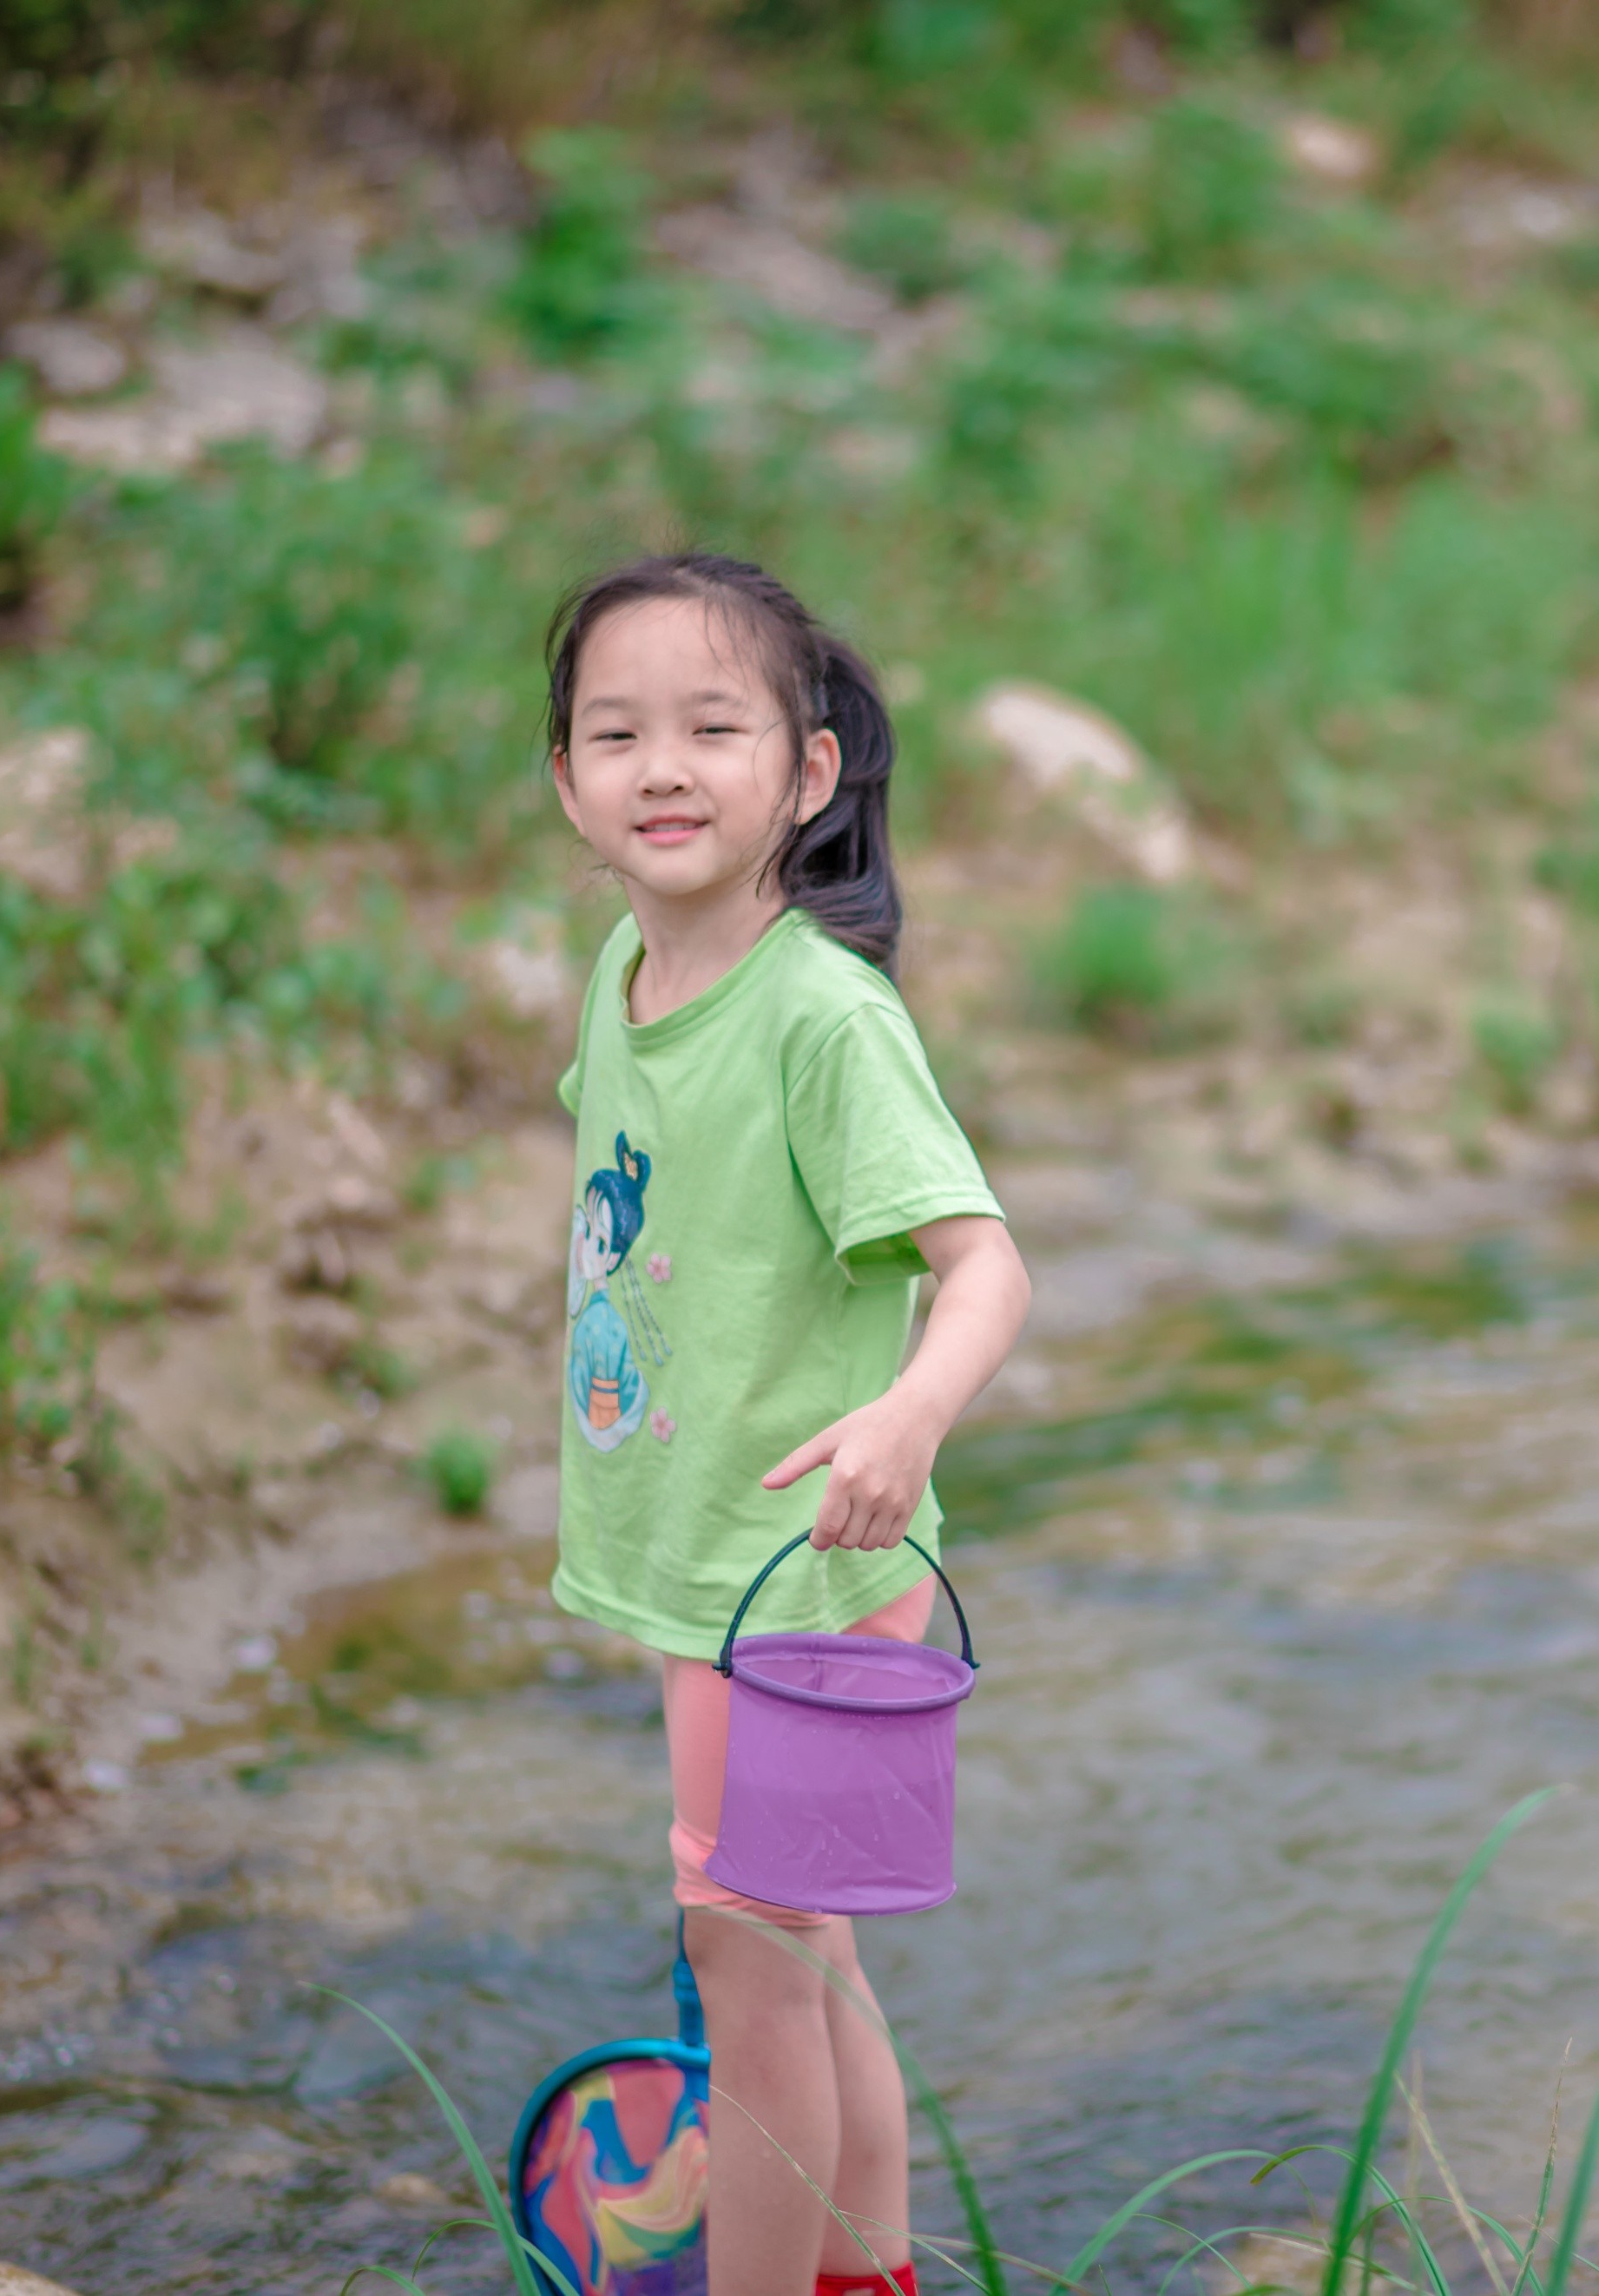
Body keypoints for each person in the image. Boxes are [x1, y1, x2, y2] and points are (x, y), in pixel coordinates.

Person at [543, 551, 1030, 2296]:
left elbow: (983, 1268)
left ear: (806, 774)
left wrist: (903, 1418)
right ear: (566, 785)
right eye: (616, 734)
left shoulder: (823, 1015)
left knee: (753, 1998)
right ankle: (871, 2283)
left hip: (798, 1585)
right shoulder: (625, 969)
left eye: (710, 727)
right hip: (704, 1561)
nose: (659, 767)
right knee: (805, 1967)